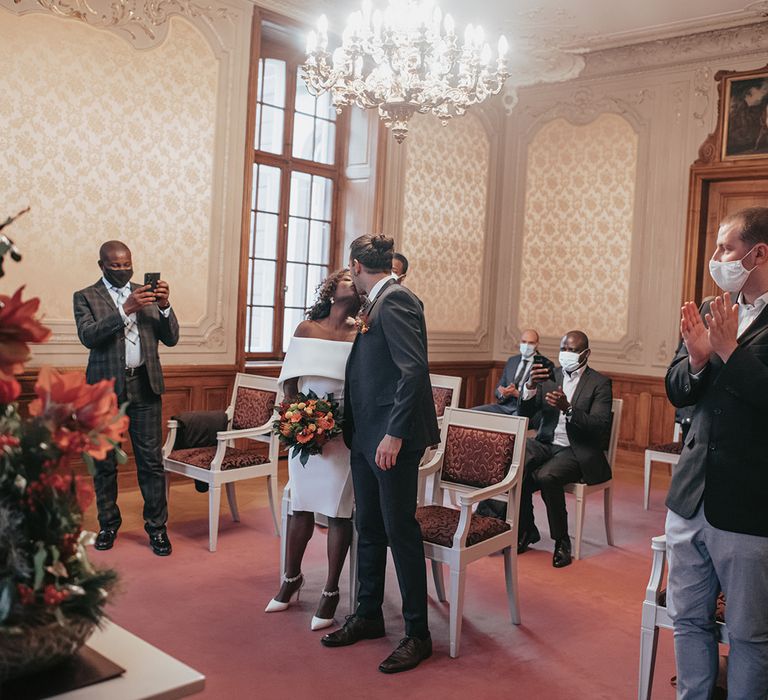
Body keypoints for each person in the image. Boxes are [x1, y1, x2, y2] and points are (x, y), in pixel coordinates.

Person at [321, 234, 439, 674]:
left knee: (400, 531)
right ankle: (368, 613)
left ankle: (417, 635)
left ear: (355, 265)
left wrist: (394, 435)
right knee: (367, 527)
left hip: (391, 439)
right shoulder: (377, 300)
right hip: (366, 433)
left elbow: (414, 371)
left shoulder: (397, 301)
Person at [665, 206, 768, 699]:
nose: (717, 258)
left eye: (726, 248)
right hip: (691, 495)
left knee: (750, 635)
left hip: (749, 504)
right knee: (687, 621)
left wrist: (730, 353)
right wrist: (701, 360)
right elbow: (678, 387)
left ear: (758, 253)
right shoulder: (711, 307)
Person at [265, 269, 361, 631]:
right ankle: (291, 578)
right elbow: (290, 379)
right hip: (305, 422)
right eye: (346, 278)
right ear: (331, 288)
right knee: (301, 504)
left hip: (343, 430)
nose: (351, 282)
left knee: (339, 511)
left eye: (357, 279)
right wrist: (293, 419)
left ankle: (332, 591)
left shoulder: (359, 334)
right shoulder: (307, 328)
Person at [73, 241, 178, 556]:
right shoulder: (86, 297)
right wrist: (125, 310)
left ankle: (157, 530)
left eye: (126, 264)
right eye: (115, 265)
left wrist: (164, 305)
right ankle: (107, 525)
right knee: (105, 463)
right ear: (101, 265)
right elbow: (88, 336)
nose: (123, 270)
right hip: (103, 393)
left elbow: (171, 338)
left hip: (145, 387)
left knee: (151, 463)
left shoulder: (146, 293)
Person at [515, 331, 612, 568]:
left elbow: (599, 426)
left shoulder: (599, 383)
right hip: (546, 442)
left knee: (546, 476)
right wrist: (528, 388)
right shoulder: (551, 377)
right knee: (517, 463)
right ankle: (525, 529)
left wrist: (568, 409)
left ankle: (561, 542)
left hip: (576, 449)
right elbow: (525, 414)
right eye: (563, 349)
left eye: (572, 350)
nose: (566, 354)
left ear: (586, 353)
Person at [472, 329, 553, 415]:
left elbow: (540, 399)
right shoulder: (512, 361)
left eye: (531, 343)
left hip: (525, 410)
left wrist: (517, 394)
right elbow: (498, 389)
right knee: (473, 413)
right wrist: (503, 393)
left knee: (511, 421)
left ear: (537, 344)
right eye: (524, 342)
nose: (526, 345)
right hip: (505, 405)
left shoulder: (545, 365)